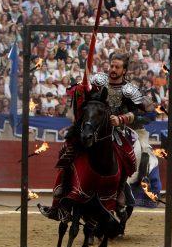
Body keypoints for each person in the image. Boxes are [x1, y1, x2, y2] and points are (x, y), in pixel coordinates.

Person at [39, 54, 147, 221]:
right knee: (68, 150)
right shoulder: (98, 81)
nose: (113, 69)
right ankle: (59, 199)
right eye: (111, 66)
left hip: (114, 129)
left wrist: (120, 119)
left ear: (124, 70)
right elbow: (85, 97)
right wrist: (81, 89)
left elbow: (137, 112)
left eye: (117, 67)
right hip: (92, 125)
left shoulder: (129, 90)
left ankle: (119, 193)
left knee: (128, 157)